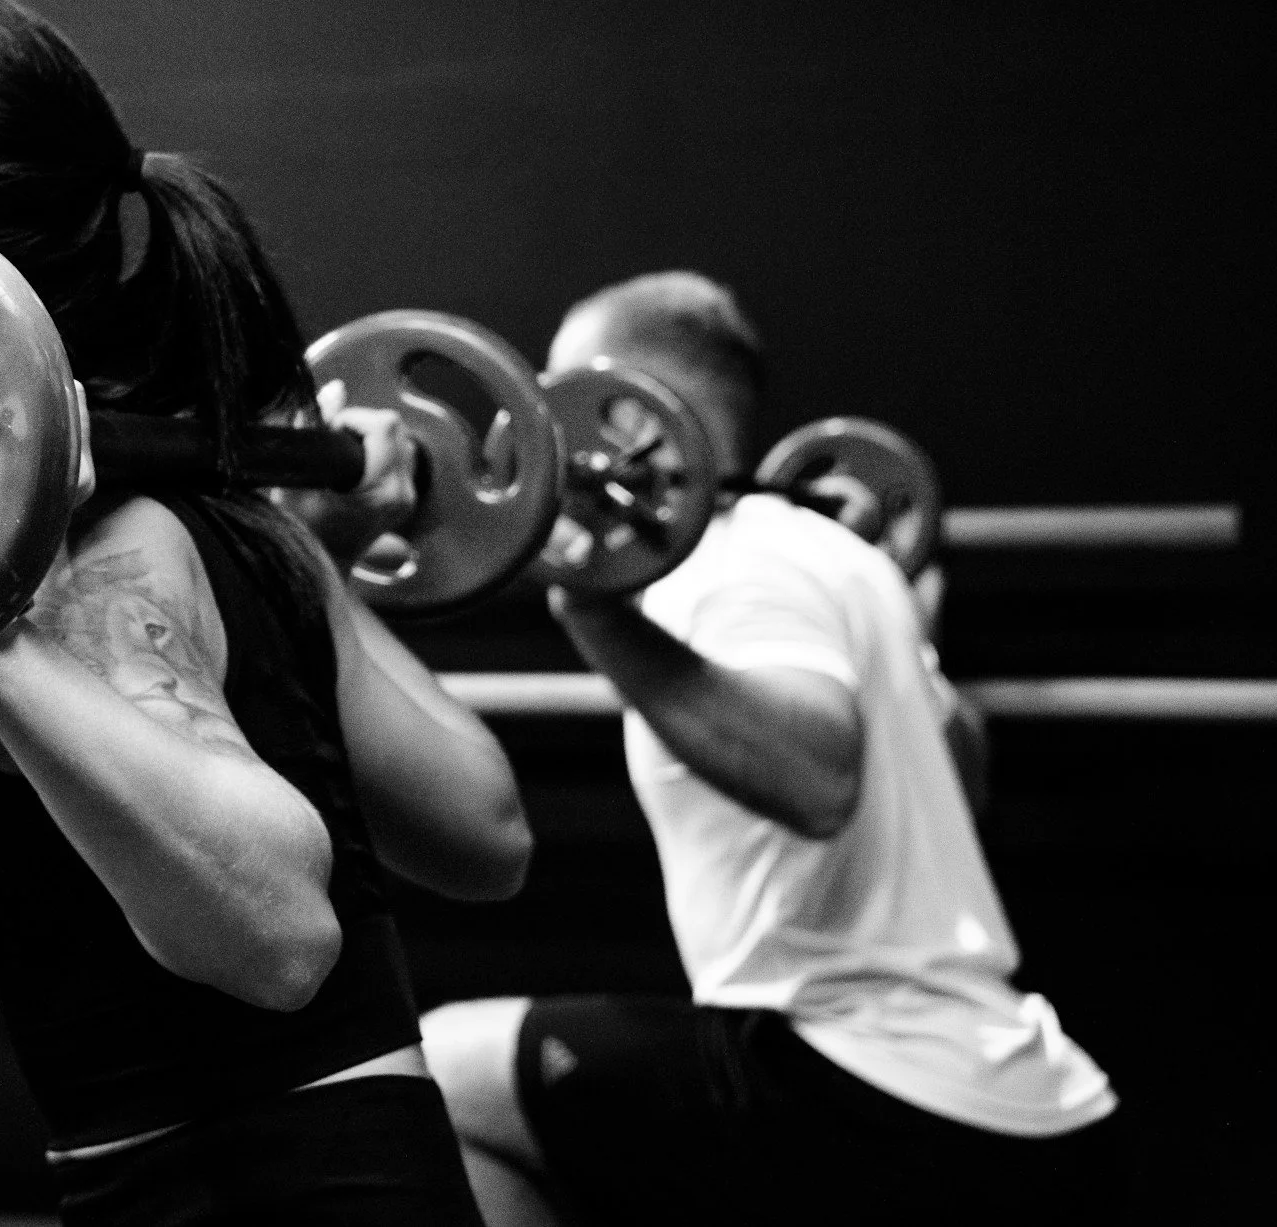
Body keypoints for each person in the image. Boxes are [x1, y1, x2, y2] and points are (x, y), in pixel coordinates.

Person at [0, 0, 535, 1225]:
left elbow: (280, 938)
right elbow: (481, 834)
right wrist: (316, 571)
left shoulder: (82, 568)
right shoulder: (241, 518)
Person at [420, 271, 1119, 1227]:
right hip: (999, 1086)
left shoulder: (731, 563)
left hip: (865, 1076)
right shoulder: (836, 559)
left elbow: (818, 778)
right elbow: (966, 779)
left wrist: (590, 605)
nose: (544, 428)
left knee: (435, 1077)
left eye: (562, 389)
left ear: (626, 414)